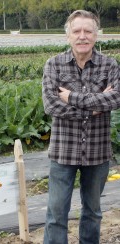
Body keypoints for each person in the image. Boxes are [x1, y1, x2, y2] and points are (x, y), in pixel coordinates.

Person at [42, 10, 120, 244]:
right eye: (77, 31)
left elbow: (116, 99)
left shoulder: (109, 65)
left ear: (96, 35)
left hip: (98, 153)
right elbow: (51, 105)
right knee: (56, 214)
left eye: (88, 31)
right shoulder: (54, 65)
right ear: (68, 36)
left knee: (93, 212)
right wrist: (96, 106)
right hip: (63, 152)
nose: (82, 36)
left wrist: (72, 97)